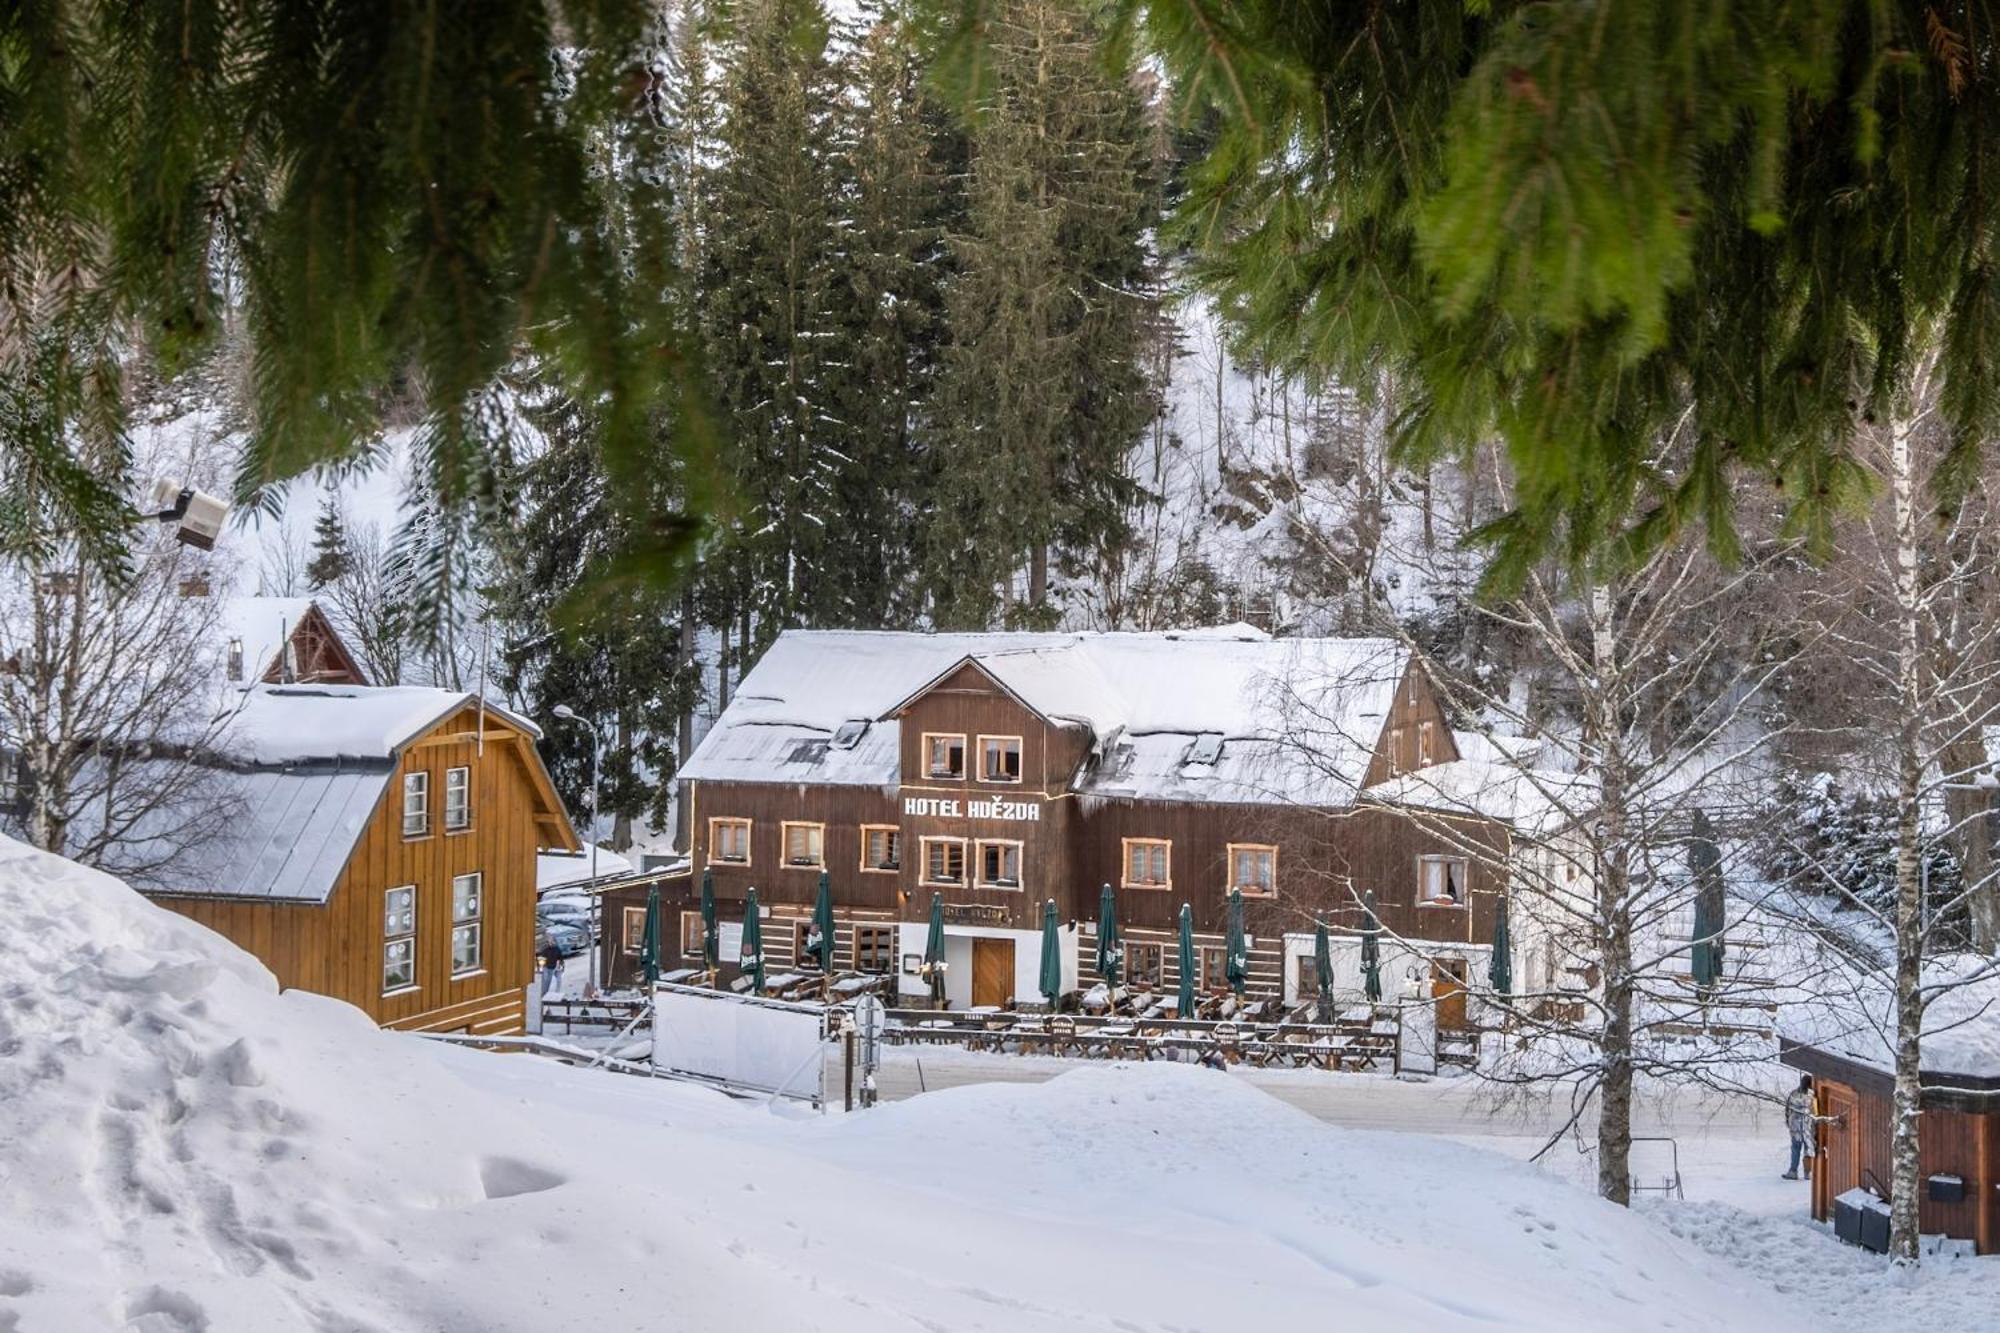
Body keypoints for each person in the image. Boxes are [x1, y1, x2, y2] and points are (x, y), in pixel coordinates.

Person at [1783, 1073, 1815, 1179]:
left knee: (1795, 1149)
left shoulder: (1793, 1094)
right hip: (1808, 1127)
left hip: (1795, 1127)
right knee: (1808, 1149)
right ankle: (1808, 1172)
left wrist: (1788, 1121)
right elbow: (1816, 1112)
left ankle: (1793, 1171)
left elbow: (1788, 1109)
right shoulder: (1812, 1097)